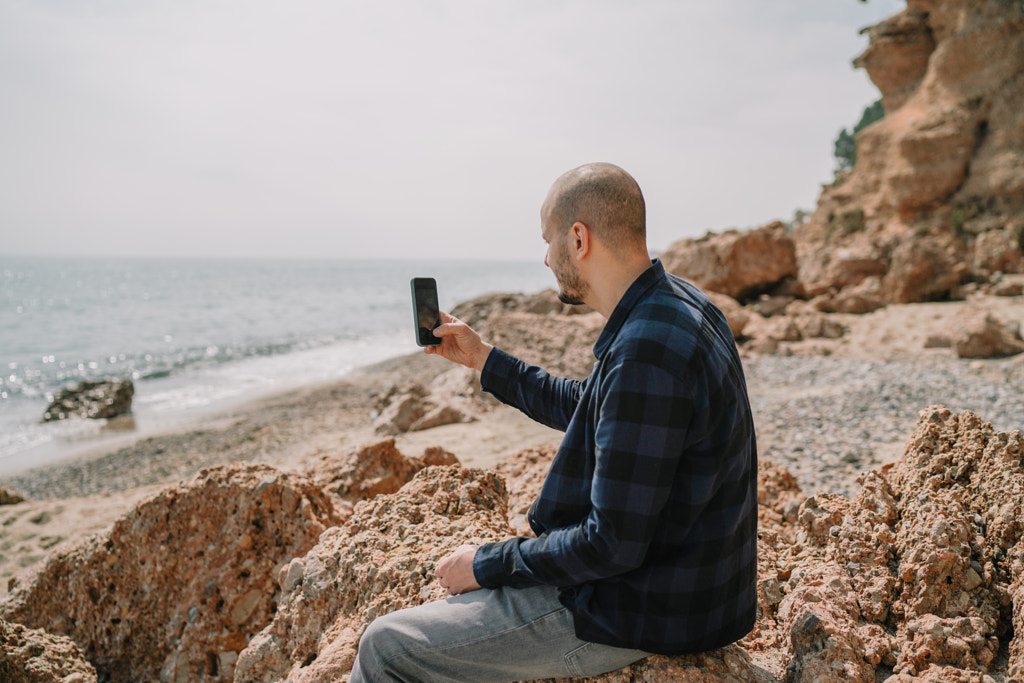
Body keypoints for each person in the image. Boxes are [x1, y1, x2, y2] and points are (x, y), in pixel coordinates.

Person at [349, 163, 758, 682]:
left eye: (548, 241)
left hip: (645, 610)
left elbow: (610, 545)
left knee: (386, 647)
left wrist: (487, 563)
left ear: (578, 239)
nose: (545, 258)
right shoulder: (680, 305)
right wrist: (484, 359)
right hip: (698, 591)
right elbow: (594, 407)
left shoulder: (644, 353)